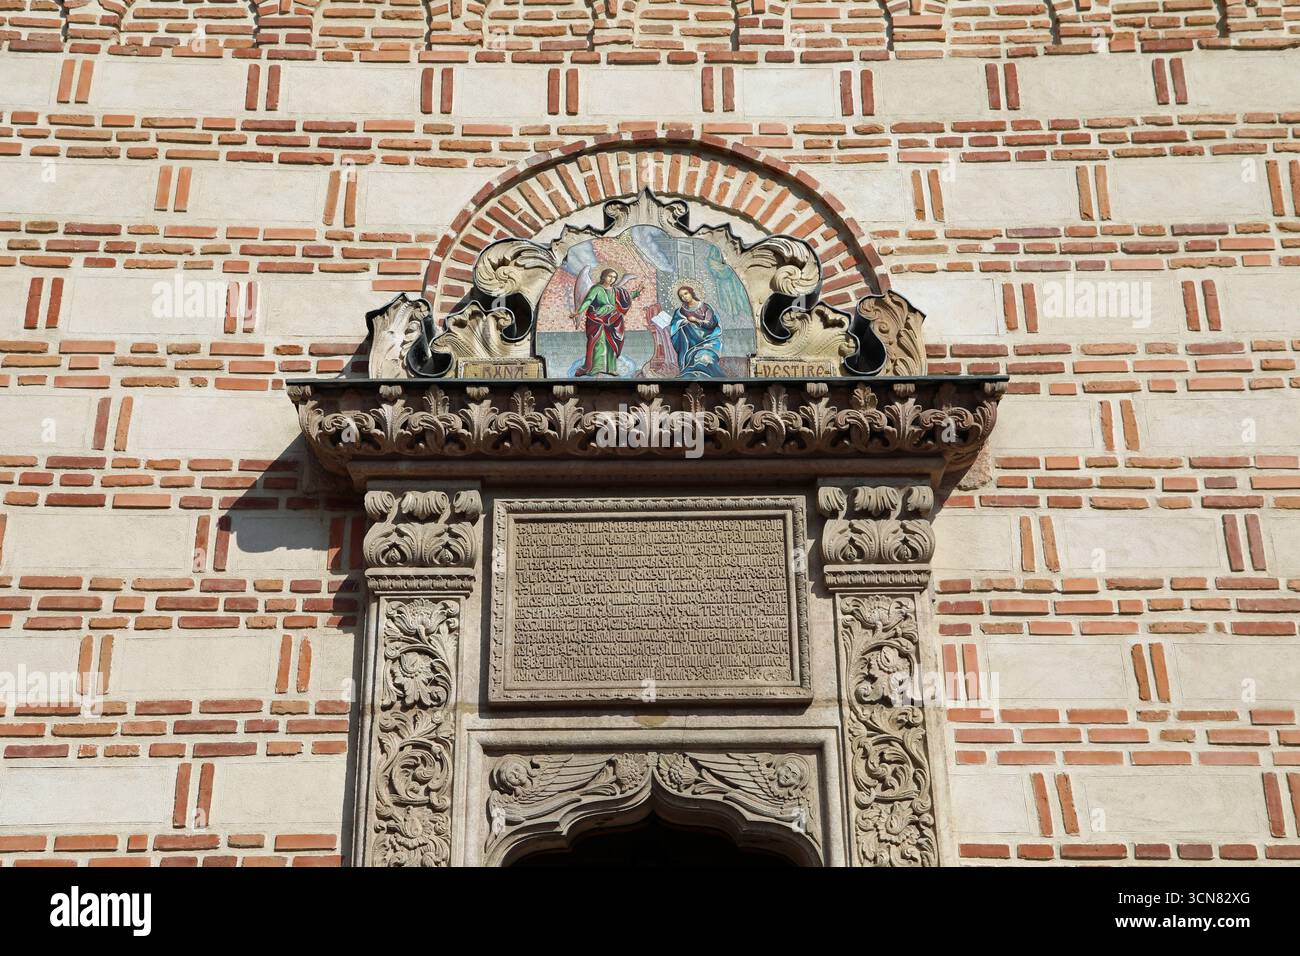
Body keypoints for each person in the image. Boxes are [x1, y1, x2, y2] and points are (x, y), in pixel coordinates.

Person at [571, 268, 642, 376]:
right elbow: (588, 301)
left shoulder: (616, 290)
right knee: (599, 344)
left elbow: (625, 299)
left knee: (611, 344)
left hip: (614, 321)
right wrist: (578, 311)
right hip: (597, 321)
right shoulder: (597, 289)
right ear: (603, 276)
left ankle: (611, 369)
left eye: (614, 277)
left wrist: (637, 292)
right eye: (609, 276)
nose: (612, 279)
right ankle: (596, 368)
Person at [669, 284, 723, 378]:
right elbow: (674, 326)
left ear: (691, 293)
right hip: (689, 346)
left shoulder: (705, 307)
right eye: (681, 296)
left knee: (704, 359)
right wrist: (683, 323)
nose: (684, 297)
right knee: (693, 360)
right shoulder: (680, 311)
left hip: (708, 341)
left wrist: (696, 320)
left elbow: (711, 324)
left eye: (686, 293)